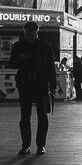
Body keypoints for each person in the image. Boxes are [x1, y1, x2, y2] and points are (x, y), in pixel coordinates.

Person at [10, 21, 57, 155]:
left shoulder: (45, 46)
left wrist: (52, 87)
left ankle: (40, 145)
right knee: (25, 116)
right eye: (28, 33)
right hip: (25, 84)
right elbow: (12, 64)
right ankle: (26, 145)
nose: (30, 35)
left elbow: (50, 67)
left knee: (42, 116)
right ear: (24, 32)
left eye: (33, 33)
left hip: (40, 84)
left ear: (37, 32)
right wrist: (20, 60)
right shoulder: (18, 46)